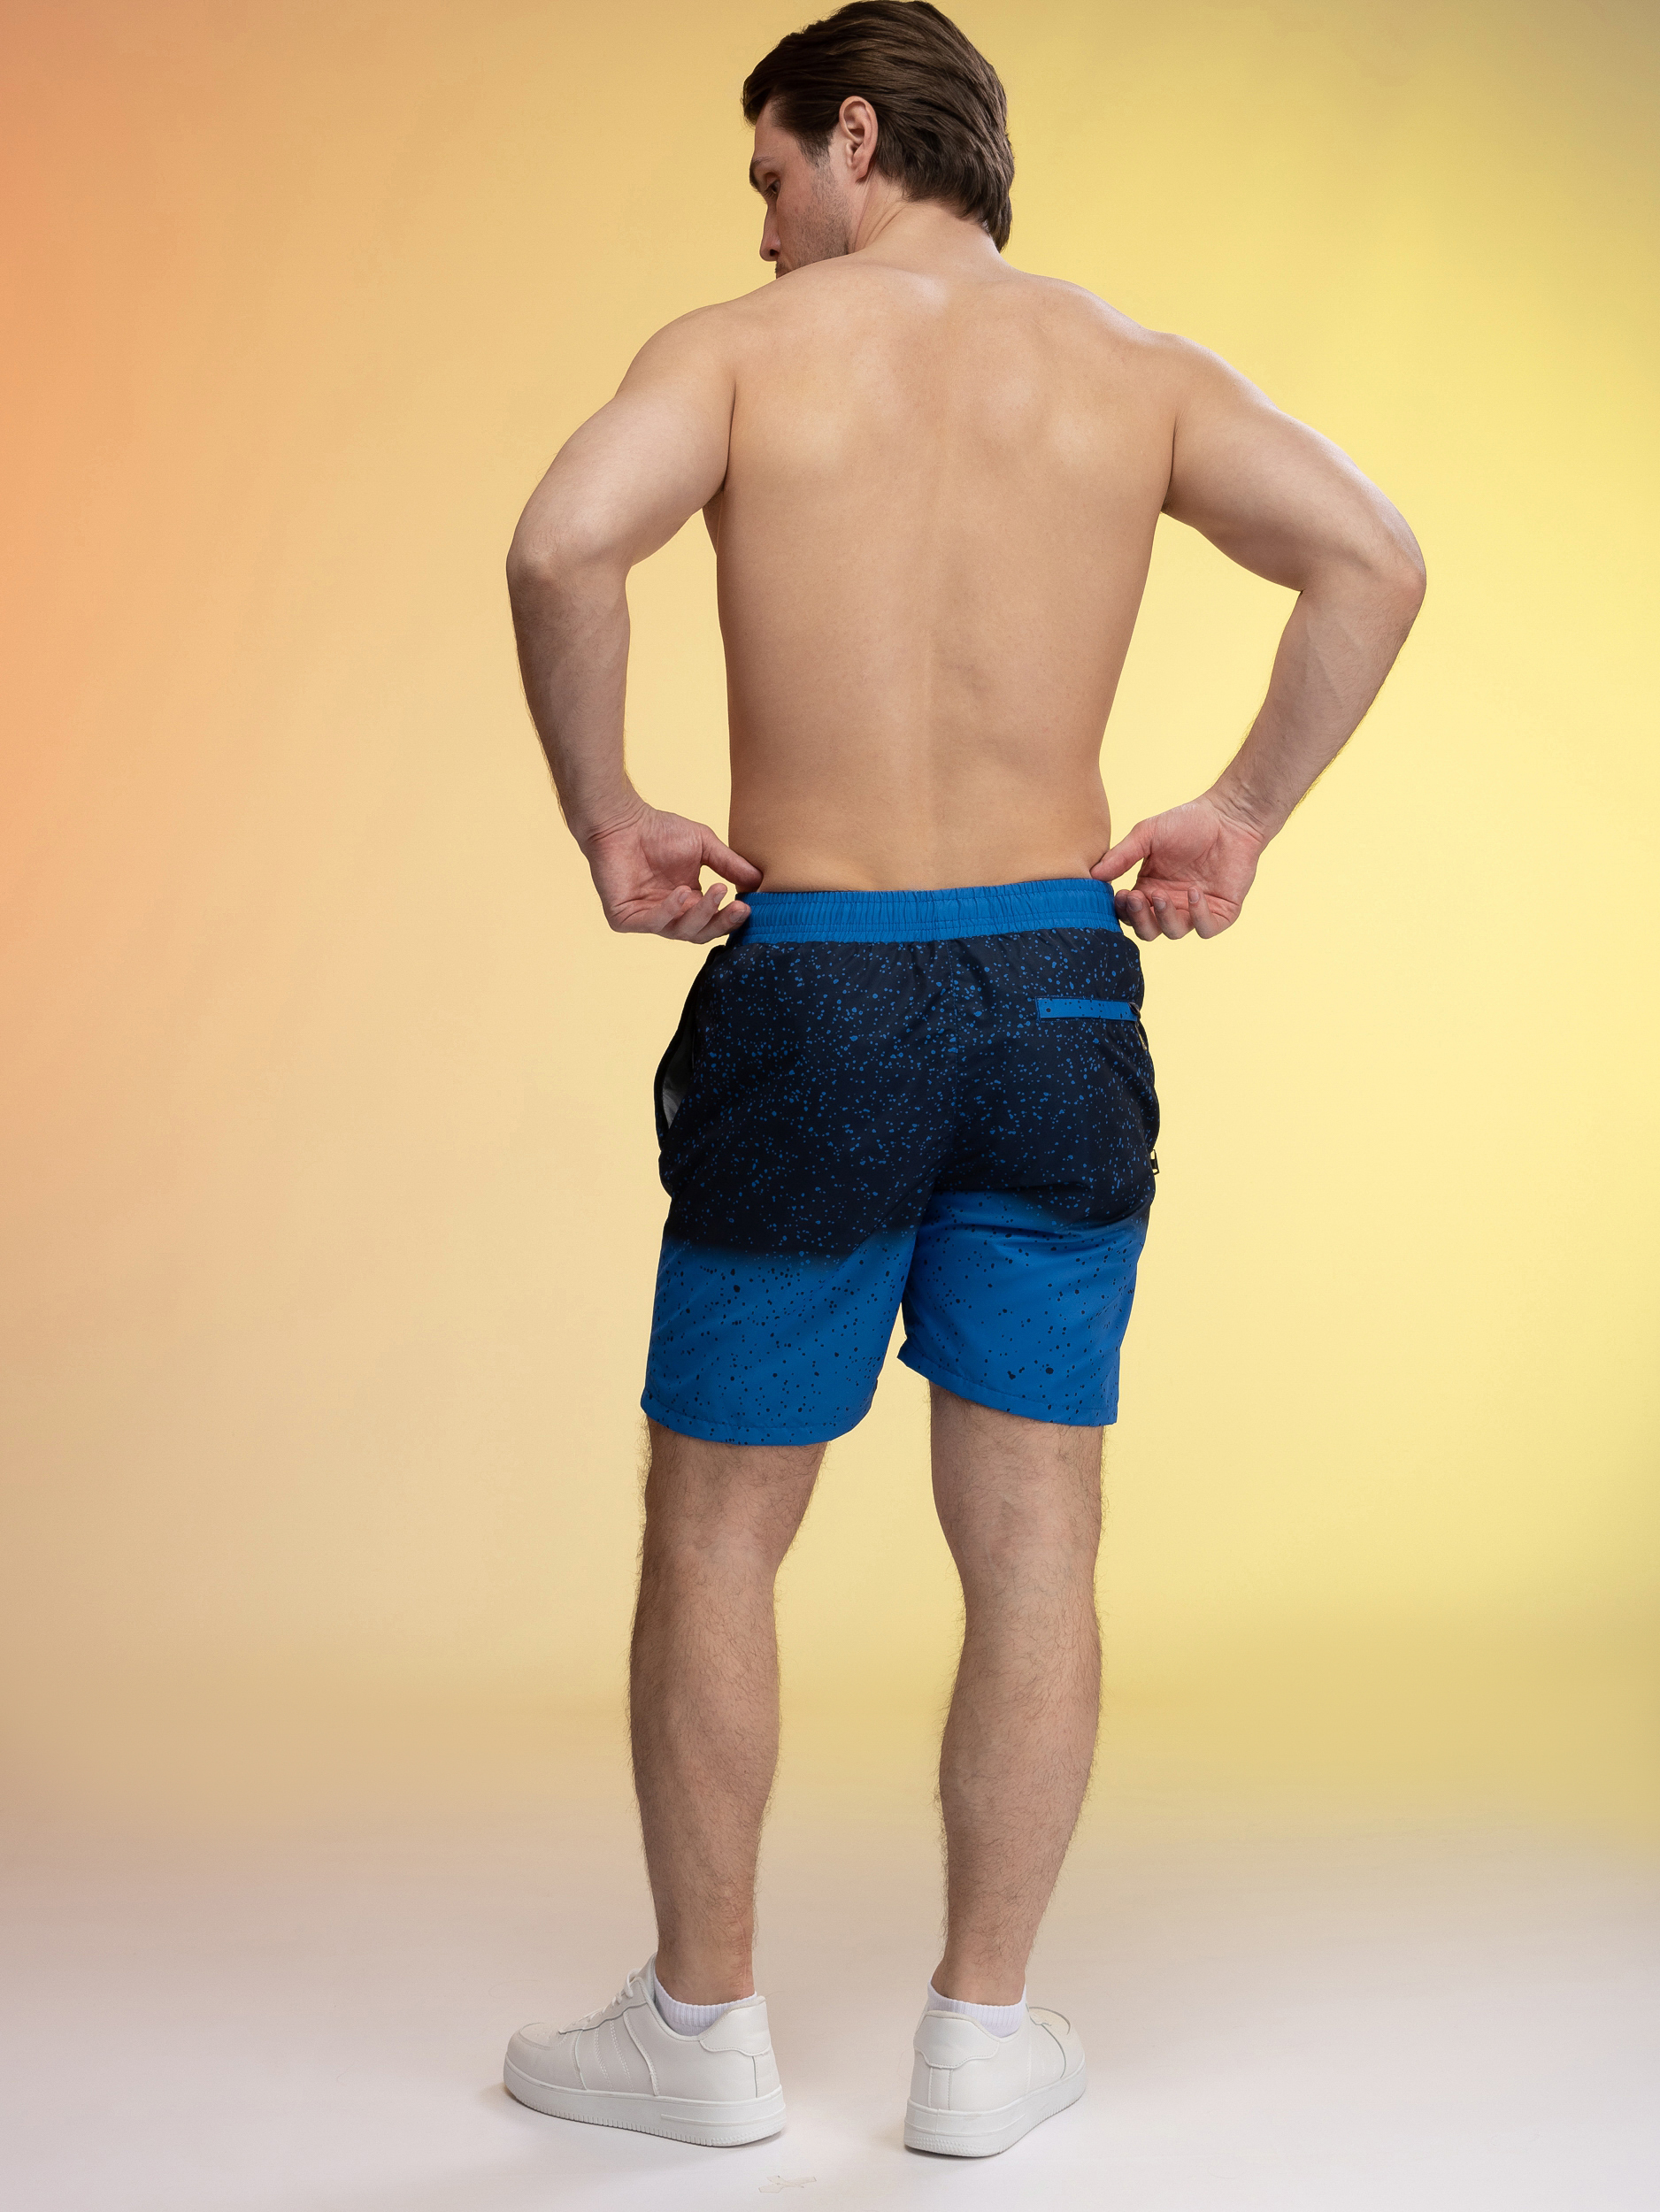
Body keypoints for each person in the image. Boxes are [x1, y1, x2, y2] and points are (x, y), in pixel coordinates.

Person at [499, 0, 1424, 2160]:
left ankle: (701, 2031)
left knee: (718, 1530)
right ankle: (979, 2040)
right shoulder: (1137, 371)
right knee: (1034, 1539)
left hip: (815, 988)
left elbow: (559, 545)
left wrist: (604, 810)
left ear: (854, 136)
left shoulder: (741, 356)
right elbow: (1372, 558)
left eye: (766, 177)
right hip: (1055, 994)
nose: (759, 227)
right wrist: (1237, 811)